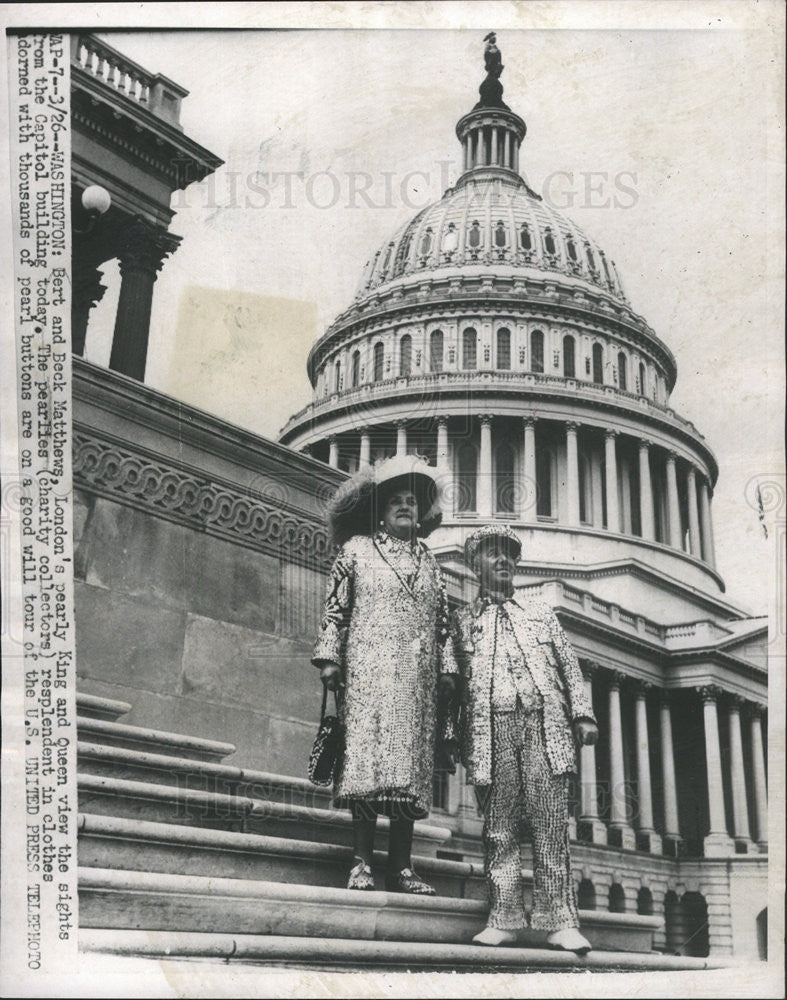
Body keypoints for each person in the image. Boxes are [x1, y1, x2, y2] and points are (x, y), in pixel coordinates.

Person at [312, 454, 458, 894]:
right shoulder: (355, 552)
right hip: (368, 676)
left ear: (421, 513)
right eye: (396, 500)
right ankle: (360, 861)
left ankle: (402, 865)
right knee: (366, 768)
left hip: (417, 683)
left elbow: (444, 626)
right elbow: (334, 612)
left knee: (408, 775)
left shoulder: (431, 565)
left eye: (412, 501)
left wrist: (448, 669)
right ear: (381, 508)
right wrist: (330, 659)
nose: (404, 507)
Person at [451, 524, 599, 952]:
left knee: (551, 826)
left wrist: (583, 714)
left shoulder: (540, 612)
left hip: (543, 725)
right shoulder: (462, 623)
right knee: (499, 831)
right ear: (474, 563)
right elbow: (452, 683)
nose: (503, 561)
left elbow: (569, 668)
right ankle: (504, 916)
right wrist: (447, 736)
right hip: (490, 730)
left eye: (509, 555)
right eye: (492, 554)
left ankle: (560, 920)